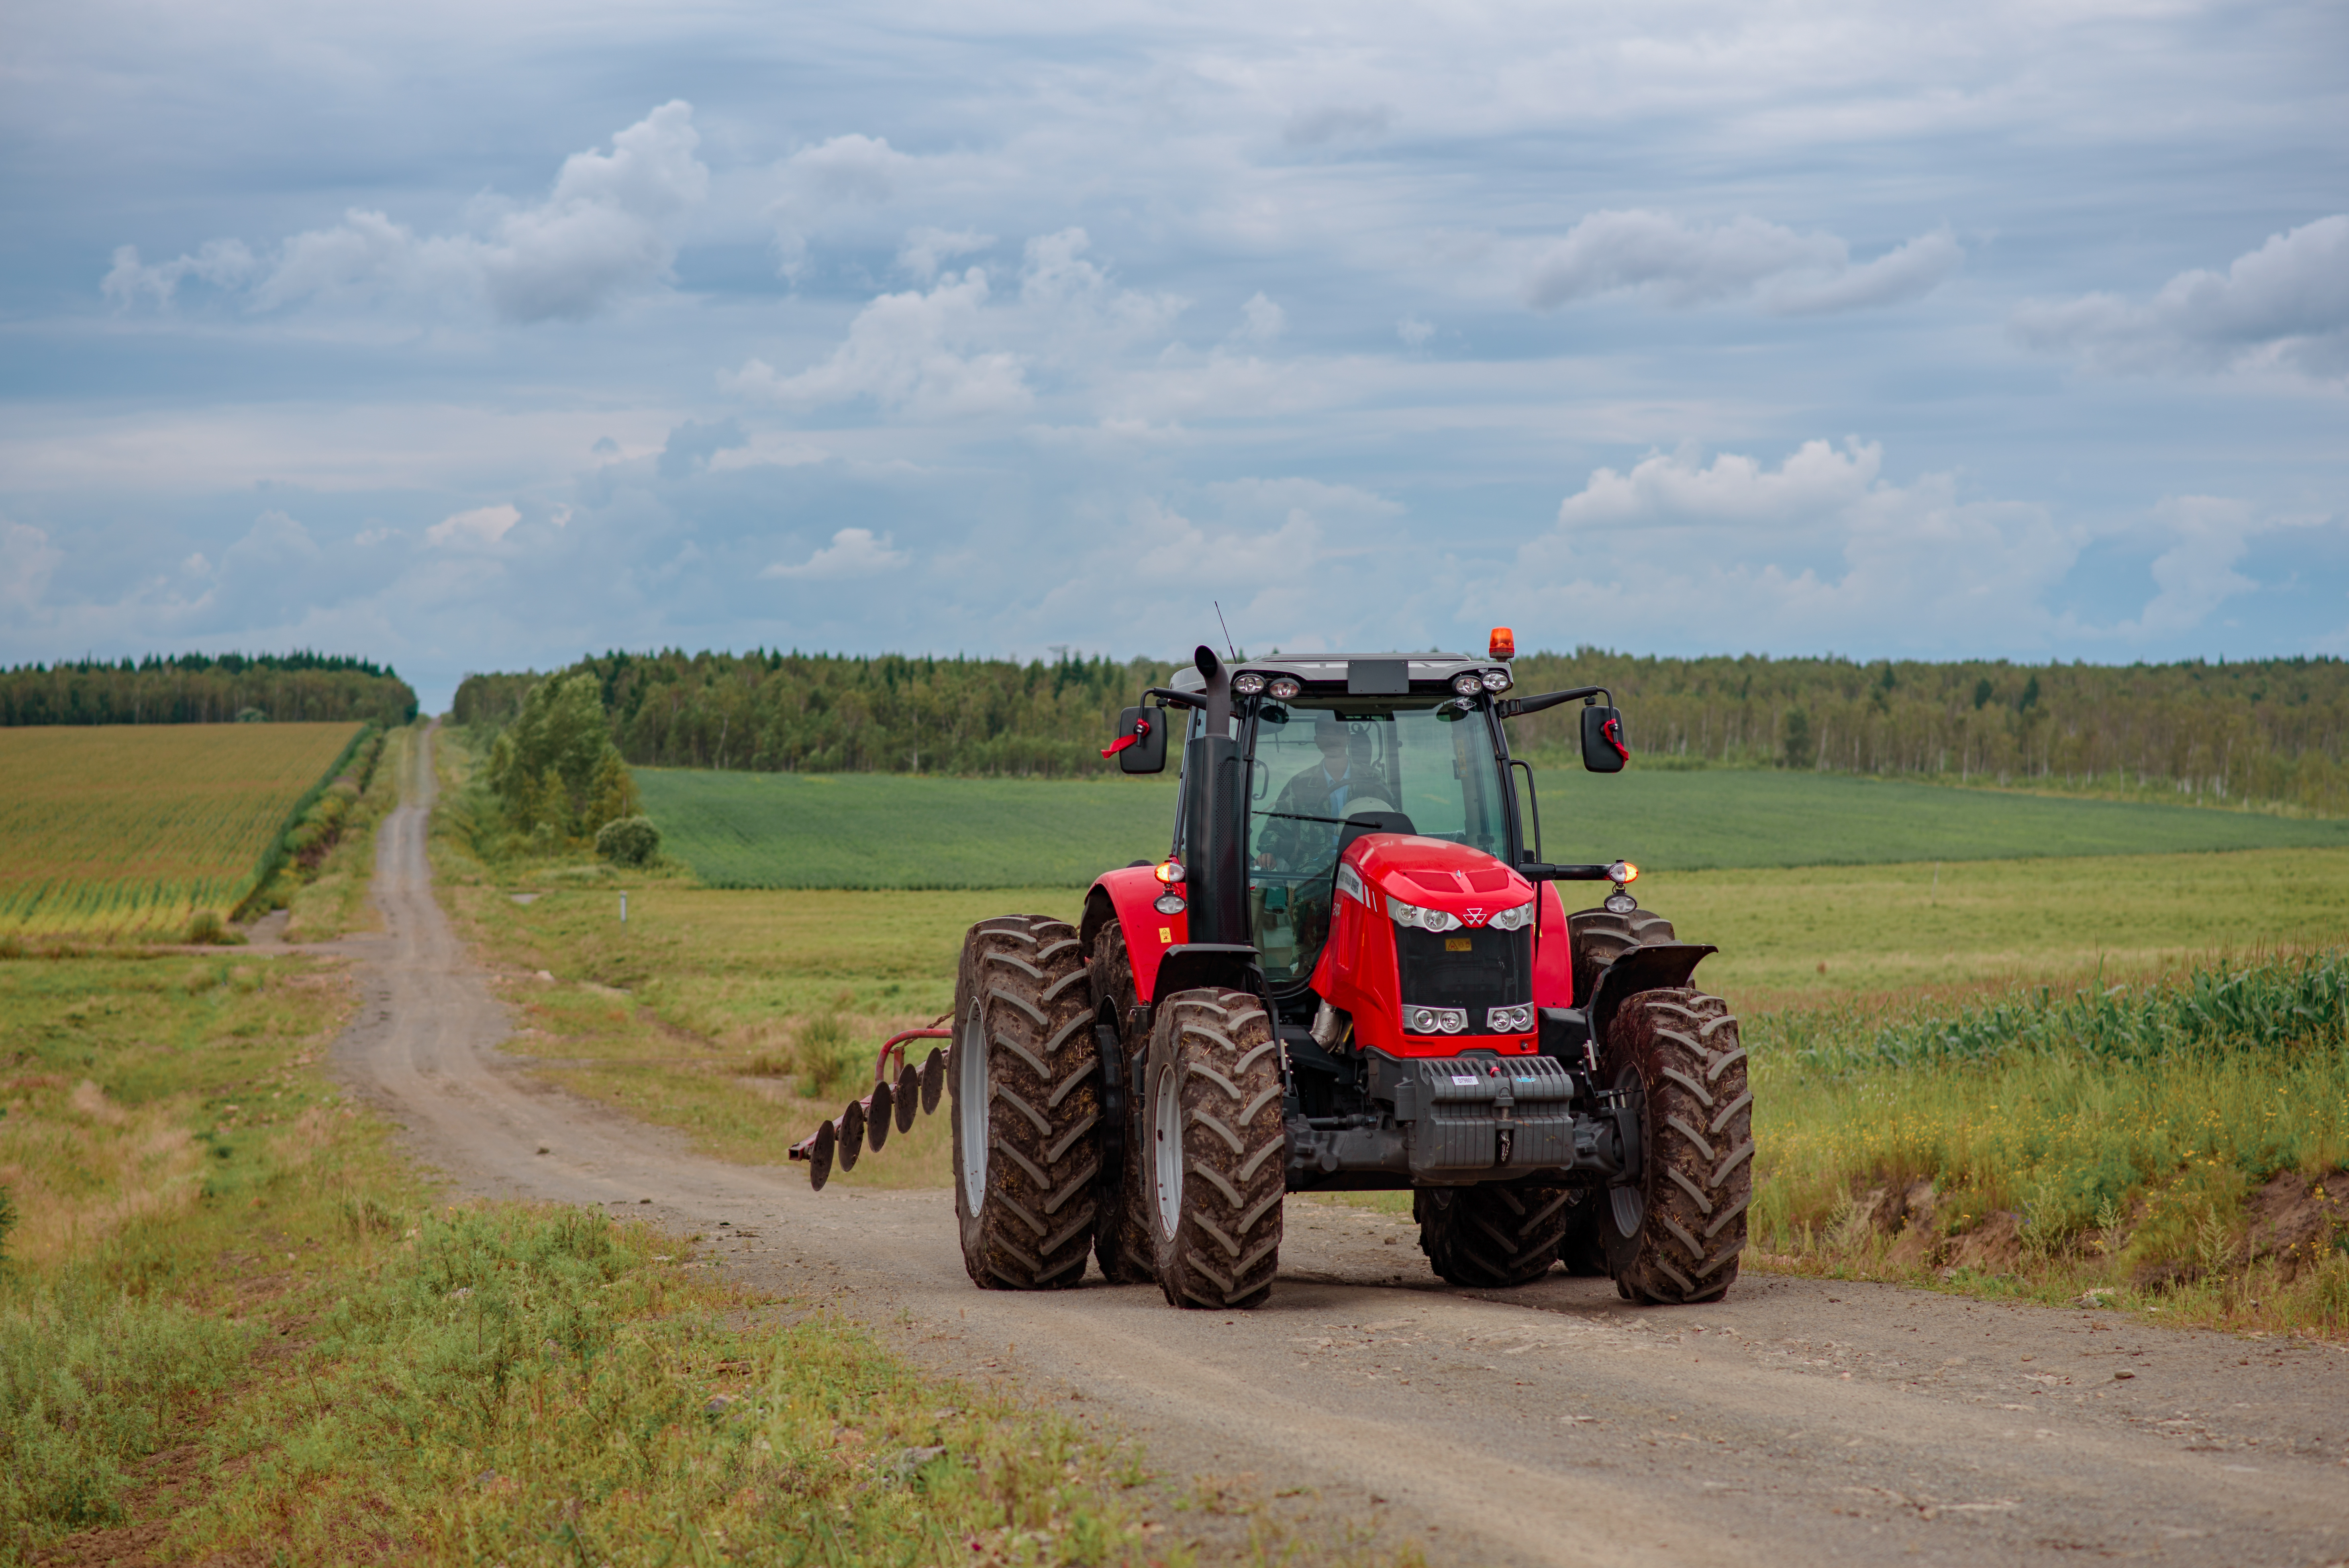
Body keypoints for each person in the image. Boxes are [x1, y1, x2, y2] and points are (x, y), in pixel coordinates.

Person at [1255, 715, 1390, 870]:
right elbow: (1277, 825)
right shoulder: (1299, 784)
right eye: (1325, 734)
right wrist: (1268, 852)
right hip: (1313, 868)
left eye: (1338, 733)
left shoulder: (1372, 778)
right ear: (1317, 740)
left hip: (1365, 863)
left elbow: (1390, 821)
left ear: (1348, 738)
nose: (1332, 739)